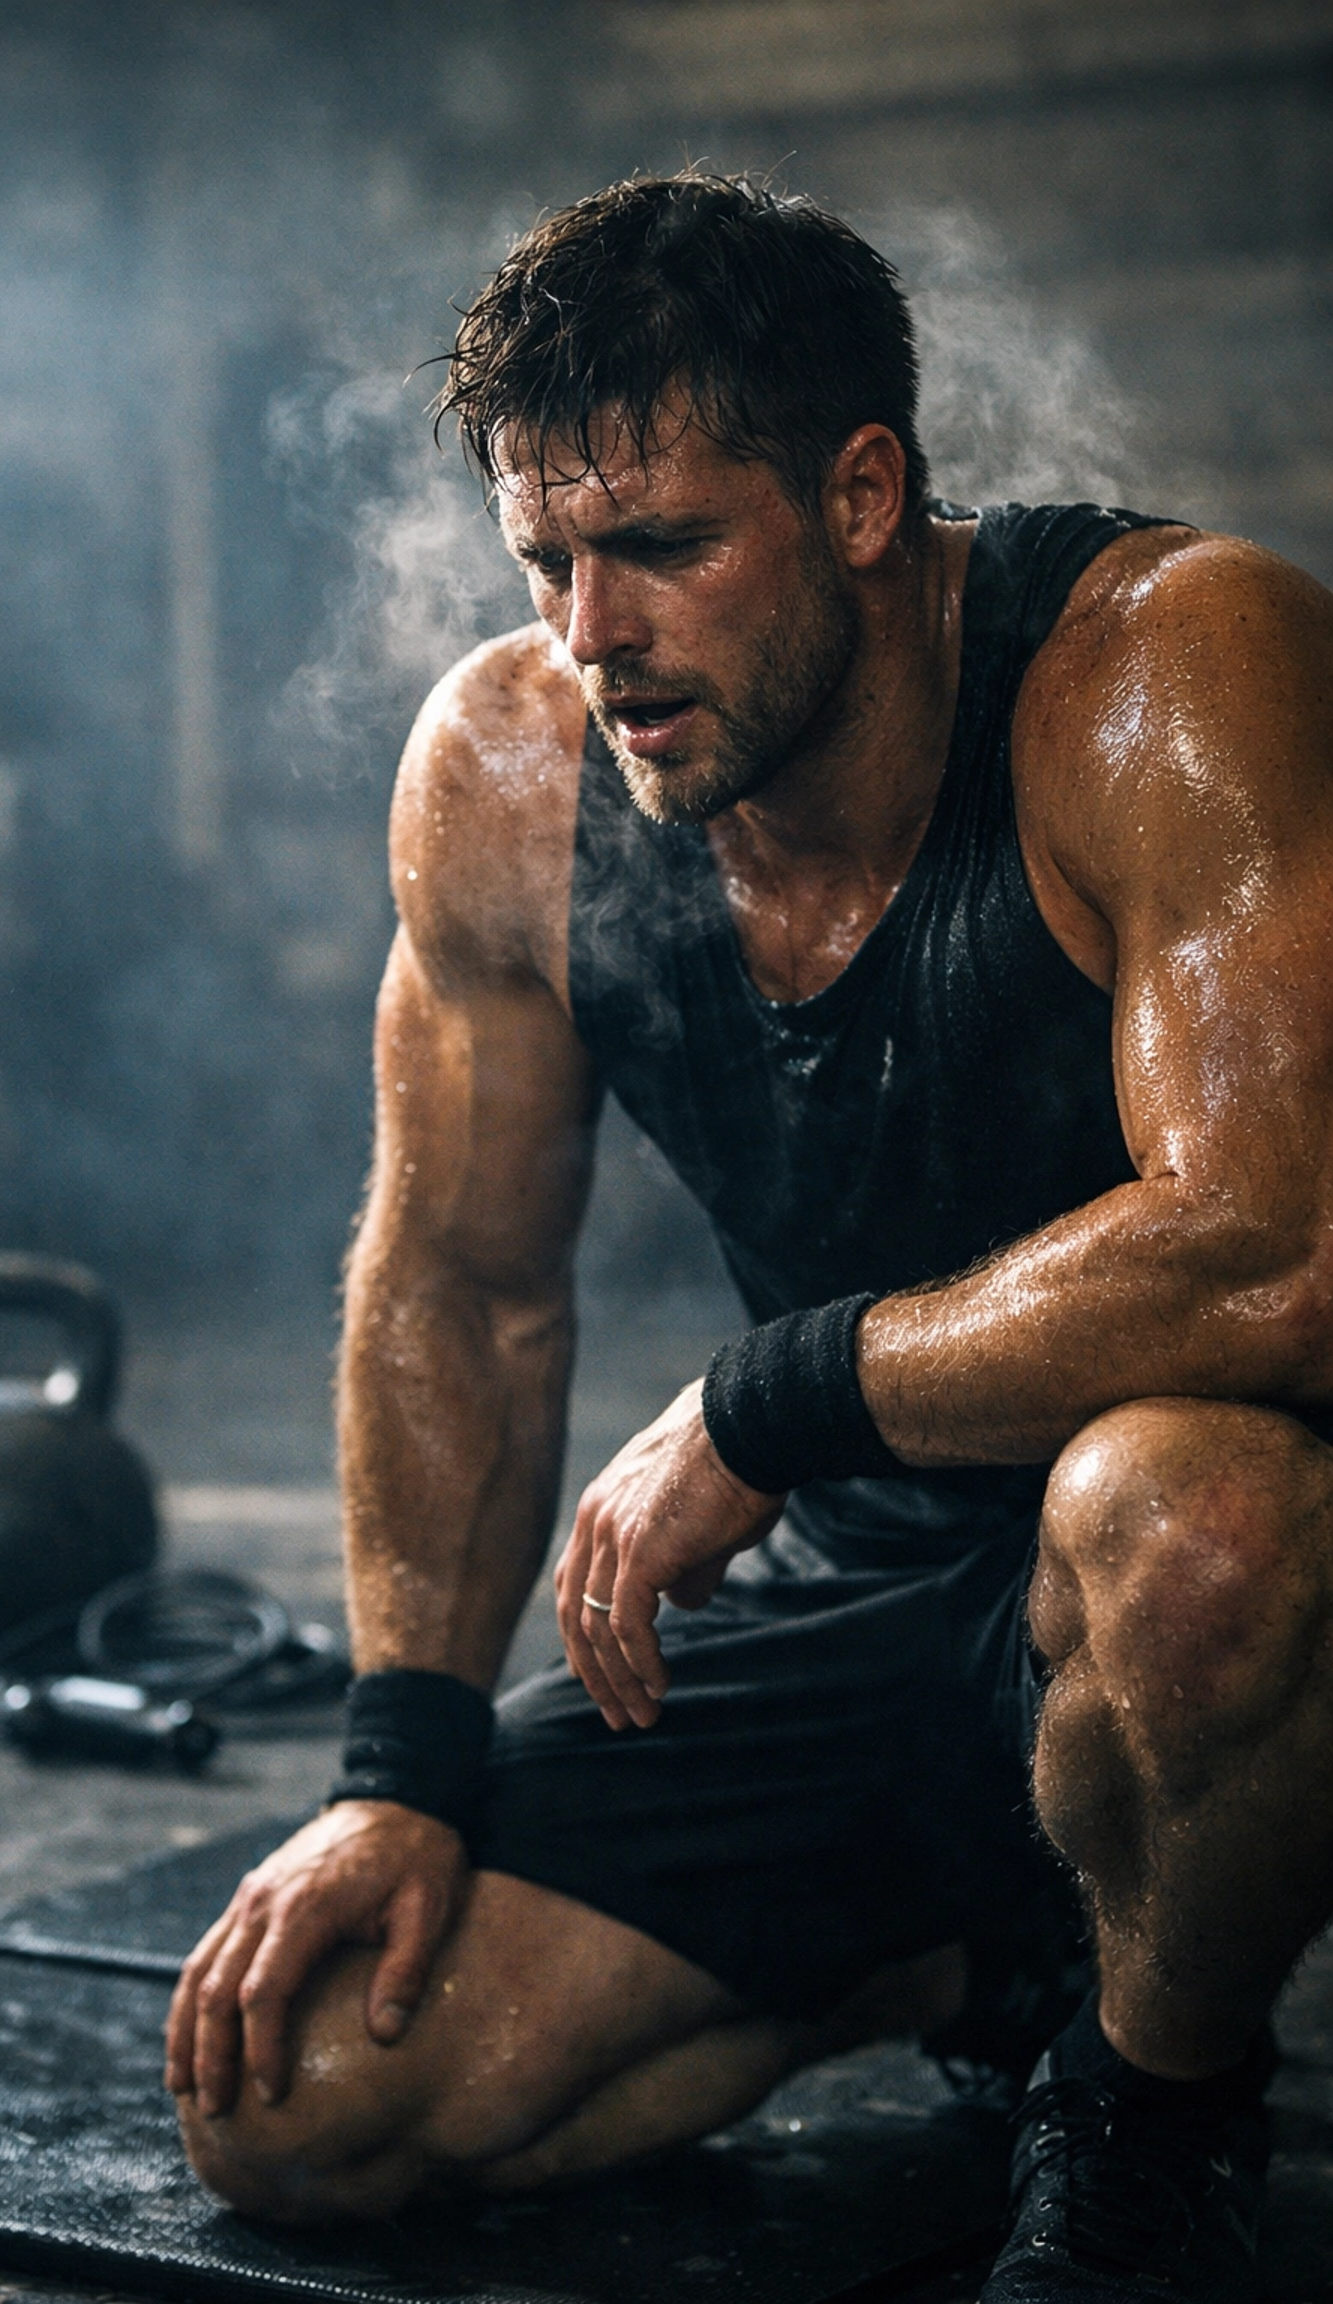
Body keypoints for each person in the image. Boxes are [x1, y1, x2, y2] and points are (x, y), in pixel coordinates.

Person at [164, 173, 1333, 2300]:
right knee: (304, 2100)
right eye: (548, 561)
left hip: (1200, 1534)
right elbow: (460, 1281)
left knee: (1190, 1529)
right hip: (872, 1580)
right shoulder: (510, 773)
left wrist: (768, 1402)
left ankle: (1149, 2104)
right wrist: (401, 1764)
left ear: (864, 493)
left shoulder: (1167, 671)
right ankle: (958, 1941)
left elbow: (1279, 1247)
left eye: (666, 548)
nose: (594, 635)